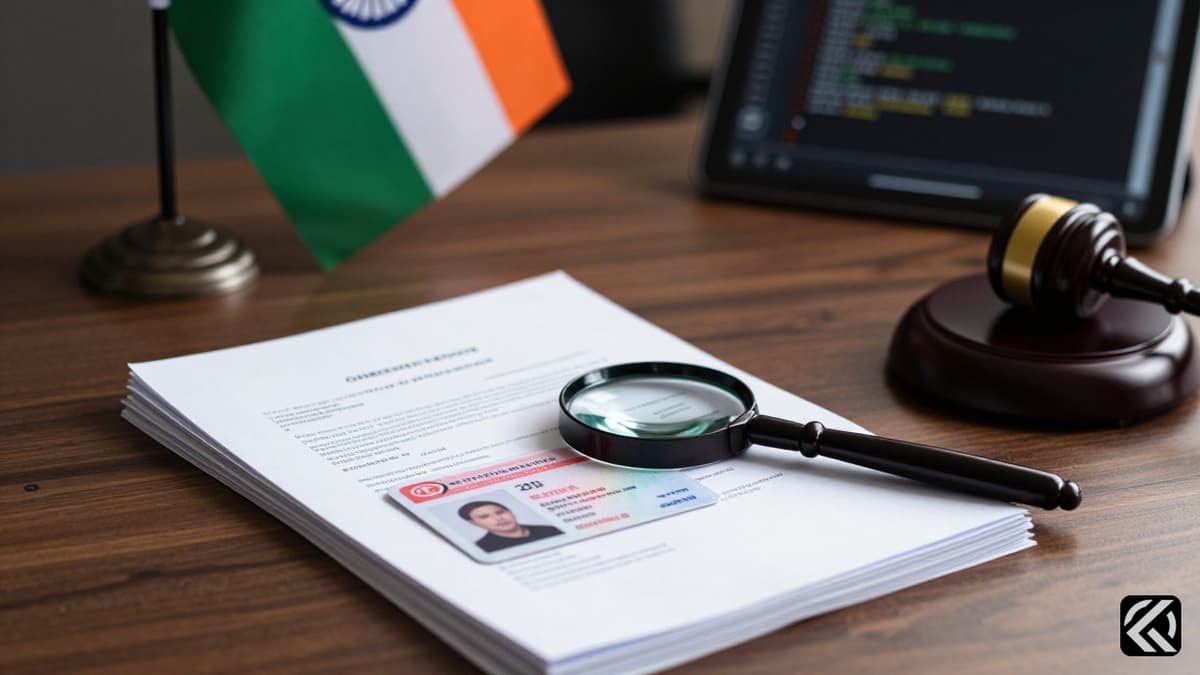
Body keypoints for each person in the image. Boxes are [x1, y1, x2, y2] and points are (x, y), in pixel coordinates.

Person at [457, 500, 563, 553]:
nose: (498, 519)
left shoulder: (551, 529)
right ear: (473, 523)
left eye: (500, 512)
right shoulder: (484, 548)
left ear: (510, 512)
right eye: (485, 517)